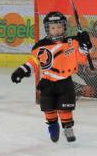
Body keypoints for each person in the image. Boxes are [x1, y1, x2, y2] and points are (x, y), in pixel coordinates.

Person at [10, 12, 92, 143]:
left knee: (65, 108)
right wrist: (21, 71)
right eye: (53, 28)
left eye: (59, 26)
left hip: (65, 82)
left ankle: (68, 128)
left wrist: (85, 43)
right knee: (48, 108)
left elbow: (83, 57)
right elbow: (34, 62)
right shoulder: (41, 46)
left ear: (64, 27)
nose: (57, 30)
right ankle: (53, 126)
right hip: (47, 83)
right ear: (48, 29)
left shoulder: (72, 42)